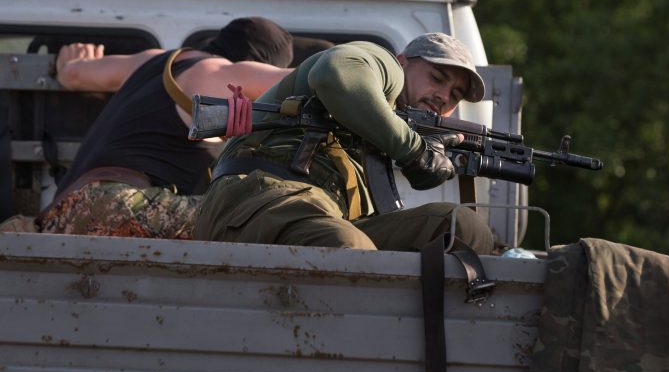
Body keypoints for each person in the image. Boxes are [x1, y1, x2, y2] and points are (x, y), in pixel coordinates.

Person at [195, 32, 494, 254]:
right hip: (259, 199)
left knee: (463, 228)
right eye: (437, 77)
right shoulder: (385, 68)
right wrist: (415, 151)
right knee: (351, 249)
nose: (443, 95)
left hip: (318, 215)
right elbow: (334, 73)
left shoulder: (384, 125)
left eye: (455, 95)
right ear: (403, 62)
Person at [34, 17, 294, 238]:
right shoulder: (219, 74)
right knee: (266, 213)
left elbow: (74, 74)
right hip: (115, 208)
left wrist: (70, 62)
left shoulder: (156, 60)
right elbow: (315, 78)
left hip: (60, 218)